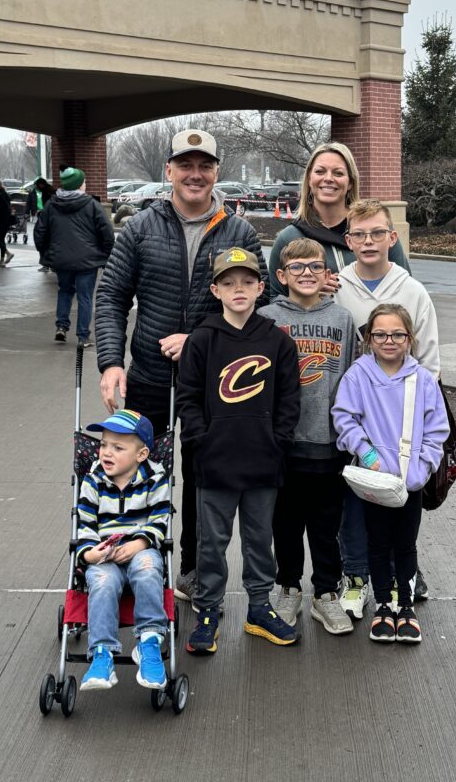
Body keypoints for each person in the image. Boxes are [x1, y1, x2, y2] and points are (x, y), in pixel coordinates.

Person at [94, 128, 268, 604]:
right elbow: (110, 295)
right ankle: (127, 560)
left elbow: (260, 302)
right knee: (138, 472)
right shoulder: (140, 228)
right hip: (149, 378)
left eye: (205, 165)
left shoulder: (240, 232)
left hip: (213, 383)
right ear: (168, 170)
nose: (195, 174)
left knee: (200, 477)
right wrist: (111, 361)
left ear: (216, 172)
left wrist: (198, 339)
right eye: (185, 165)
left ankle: (191, 568)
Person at [177, 247, 301, 654]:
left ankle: (260, 608)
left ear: (261, 287)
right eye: (229, 283)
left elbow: (289, 401)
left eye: (248, 282)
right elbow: (189, 397)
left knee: (258, 540)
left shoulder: (277, 342)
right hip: (215, 463)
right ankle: (208, 609)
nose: (239, 289)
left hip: (263, 461)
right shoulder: (202, 340)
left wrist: (276, 441)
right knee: (211, 542)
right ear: (215, 290)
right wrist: (201, 440)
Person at [334, 199, 441, 616]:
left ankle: (401, 577)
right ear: (348, 241)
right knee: (355, 509)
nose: (369, 241)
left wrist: (426, 453)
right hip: (355, 423)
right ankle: (358, 576)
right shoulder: (337, 286)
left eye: (378, 233)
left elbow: (429, 365)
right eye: (359, 234)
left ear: (392, 238)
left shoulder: (411, 291)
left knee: (401, 513)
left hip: (403, 432)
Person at [332, 303, 448, 644]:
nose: (389, 340)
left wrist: (422, 468)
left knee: (405, 545)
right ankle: (383, 604)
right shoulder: (358, 375)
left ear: (409, 338)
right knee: (378, 545)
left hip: (409, 482)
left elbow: (436, 430)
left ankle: (405, 606)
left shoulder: (422, 380)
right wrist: (367, 455)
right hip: (375, 481)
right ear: (369, 338)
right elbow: (343, 417)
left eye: (397, 334)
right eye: (380, 334)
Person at [257, 237, 356, 635]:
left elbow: (350, 376)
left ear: (326, 273)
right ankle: (288, 586)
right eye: (297, 268)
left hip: (328, 440)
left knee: (326, 521)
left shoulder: (343, 319)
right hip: (283, 441)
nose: (307, 274)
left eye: (315, 267)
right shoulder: (265, 318)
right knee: (286, 520)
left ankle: (326, 593)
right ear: (281, 275)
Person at [76, 409, 171, 693]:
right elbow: (84, 525)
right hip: (103, 553)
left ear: (141, 455)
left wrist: (139, 543)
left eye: (118, 447)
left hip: (140, 547)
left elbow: (160, 520)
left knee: (147, 568)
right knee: (102, 582)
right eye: (103, 444)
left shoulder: (155, 479)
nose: (106, 452)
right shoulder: (93, 482)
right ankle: (102, 652)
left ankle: (150, 641)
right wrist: (90, 554)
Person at [268, 141, 410, 300]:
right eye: (320, 171)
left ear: (350, 182)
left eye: (338, 173)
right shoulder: (288, 238)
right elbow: (273, 301)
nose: (328, 178)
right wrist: (306, 291)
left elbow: (405, 287)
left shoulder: (378, 231)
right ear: (309, 179)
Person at [34, 166, 114, 347]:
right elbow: (106, 232)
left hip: (61, 259)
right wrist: (107, 253)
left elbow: (40, 231)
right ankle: (83, 336)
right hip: (88, 260)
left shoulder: (52, 204)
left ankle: (61, 327)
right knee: (85, 297)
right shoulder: (92, 204)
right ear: (79, 184)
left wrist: (46, 253)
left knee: (65, 291)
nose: (85, 184)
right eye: (83, 181)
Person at [26, 177, 55, 272]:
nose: (37, 188)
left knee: (45, 243)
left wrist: (43, 213)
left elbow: (49, 206)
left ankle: (47, 264)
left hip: (48, 221)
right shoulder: (49, 191)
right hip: (50, 221)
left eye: (37, 186)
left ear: (41, 184)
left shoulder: (48, 192)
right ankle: (51, 265)